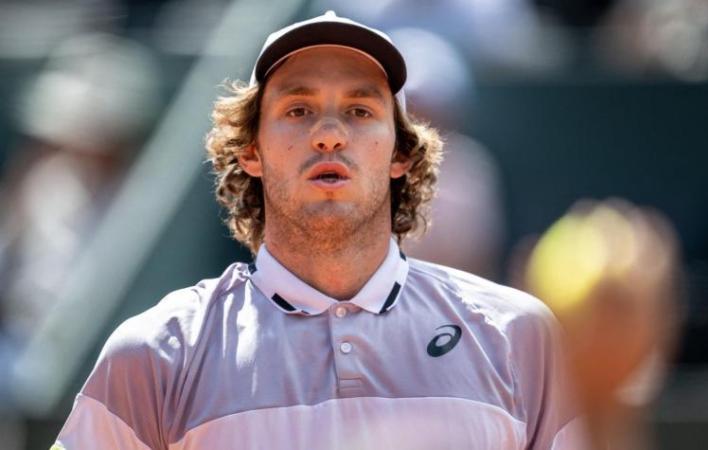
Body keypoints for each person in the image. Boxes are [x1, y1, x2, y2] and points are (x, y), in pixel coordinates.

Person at [53, 11, 573, 450]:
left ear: (400, 154)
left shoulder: (517, 338)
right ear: (250, 151)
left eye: (360, 110)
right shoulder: (156, 354)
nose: (328, 134)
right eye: (298, 110)